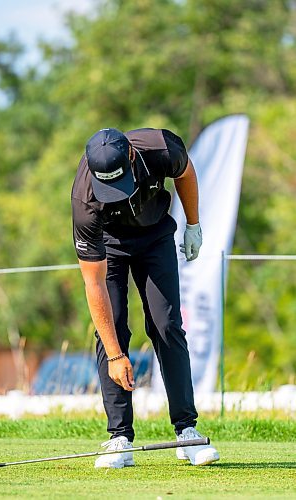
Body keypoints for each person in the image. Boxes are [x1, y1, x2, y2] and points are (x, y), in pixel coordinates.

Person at [71, 127, 219, 468]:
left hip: (155, 237)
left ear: (132, 158)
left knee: (167, 325)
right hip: (110, 245)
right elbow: (93, 285)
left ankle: (187, 431)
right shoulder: (85, 200)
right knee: (112, 333)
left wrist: (193, 225)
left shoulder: (161, 148)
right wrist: (114, 355)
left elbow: (186, 172)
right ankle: (119, 438)